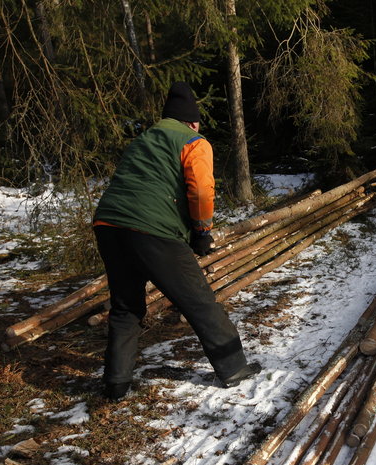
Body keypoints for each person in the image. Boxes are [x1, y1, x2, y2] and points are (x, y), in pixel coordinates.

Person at [92, 82, 259, 400]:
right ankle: (234, 367)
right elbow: (199, 190)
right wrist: (202, 231)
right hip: (153, 229)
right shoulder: (194, 141)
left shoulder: (142, 140)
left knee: (126, 305)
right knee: (198, 299)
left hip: (108, 224)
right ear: (193, 121)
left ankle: (116, 382)